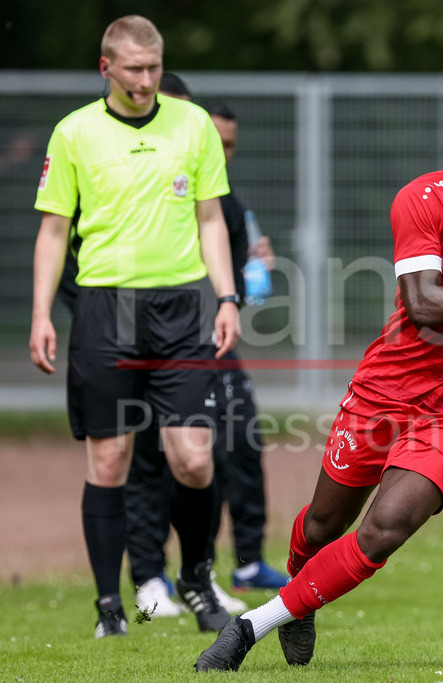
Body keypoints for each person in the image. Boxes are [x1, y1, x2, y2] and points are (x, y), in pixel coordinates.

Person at [195, 72, 443, 671]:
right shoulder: (425, 199)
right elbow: (423, 304)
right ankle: (300, 599)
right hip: (385, 393)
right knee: (324, 524)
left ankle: (250, 627)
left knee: (386, 529)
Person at [29, 16, 240, 637]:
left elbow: (210, 220)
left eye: (154, 68)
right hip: (105, 307)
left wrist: (225, 296)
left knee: (194, 458)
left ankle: (197, 581)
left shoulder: (193, 124)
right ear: (106, 69)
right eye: (134, 70)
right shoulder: (74, 132)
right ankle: (108, 607)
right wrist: (42, 312)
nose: (146, 81)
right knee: (111, 457)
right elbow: (53, 231)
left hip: (178, 306)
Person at [126, 87, 288, 621]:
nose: (222, 151)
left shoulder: (224, 201)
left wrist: (249, 271)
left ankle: (225, 566)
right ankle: (149, 577)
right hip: (158, 340)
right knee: (153, 456)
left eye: (229, 144)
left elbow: (239, 270)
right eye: (215, 140)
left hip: (212, 340)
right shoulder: (152, 193)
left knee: (233, 445)